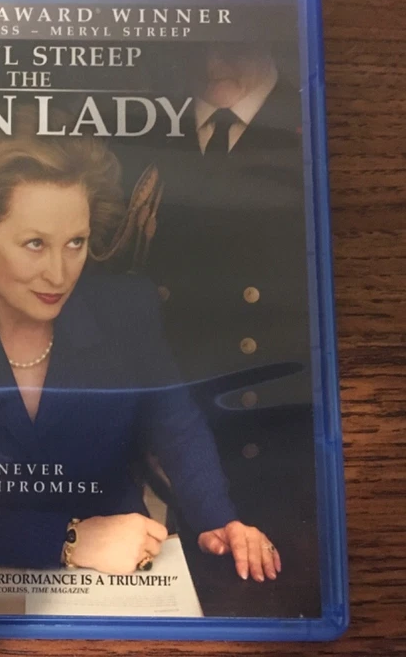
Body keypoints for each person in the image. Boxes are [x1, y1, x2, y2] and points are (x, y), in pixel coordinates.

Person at [0, 106, 281, 582]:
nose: (59, 274)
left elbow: (177, 429)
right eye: (35, 244)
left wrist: (220, 521)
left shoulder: (126, 310)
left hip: (116, 587)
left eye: (76, 242)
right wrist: (70, 538)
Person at [109, 42, 319, 615]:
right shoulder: (142, 130)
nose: (209, 64)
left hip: (273, 455)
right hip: (167, 451)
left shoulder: (313, 126)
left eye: (228, 44)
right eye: (193, 46)